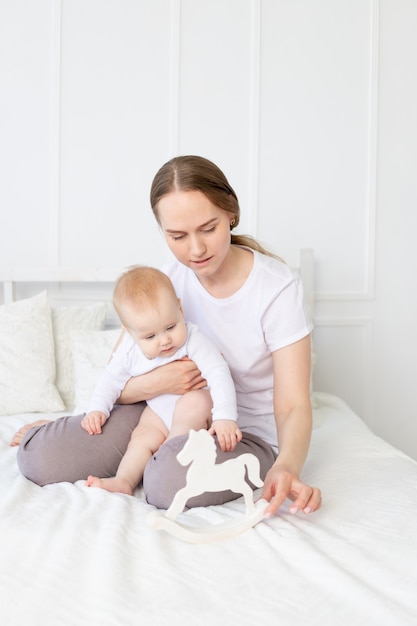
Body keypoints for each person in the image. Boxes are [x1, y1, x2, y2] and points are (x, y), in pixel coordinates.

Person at [13, 155, 321, 518]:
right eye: (177, 236)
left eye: (208, 228)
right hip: (158, 410)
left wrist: (287, 465)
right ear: (162, 231)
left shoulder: (276, 288)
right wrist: (156, 383)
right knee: (40, 455)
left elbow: (292, 406)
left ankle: (157, 462)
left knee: (165, 483)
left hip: (239, 432)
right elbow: (119, 376)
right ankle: (120, 451)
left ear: (231, 213)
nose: (196, 250)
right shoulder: (166, 280)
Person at [82, 265, 242, 495]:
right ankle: (124, 480)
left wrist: (225, 417)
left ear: (180, 309)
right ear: (129, 332)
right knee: (141, 438)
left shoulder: (193, 339)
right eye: (150, 336)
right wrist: (97, 409)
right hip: (158, 408)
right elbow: (110, 380)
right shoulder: (128, 350)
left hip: (196, 407)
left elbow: (219, 372)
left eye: (170, 327)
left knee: (193, 404)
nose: (165, 340)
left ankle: (166, 460)